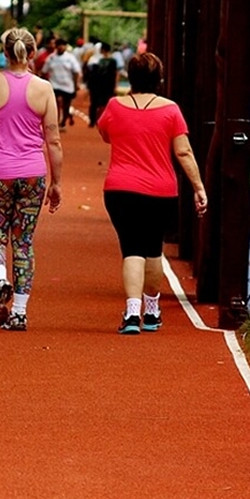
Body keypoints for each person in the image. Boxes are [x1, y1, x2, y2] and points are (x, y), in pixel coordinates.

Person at [96, 50, 207, 335]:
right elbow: (183, 152)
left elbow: (105, 134)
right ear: (160, 78)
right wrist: (198, 187)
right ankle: (152, 310)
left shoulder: (115, 106)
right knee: (153, 248)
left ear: (130, 77)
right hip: (161, 190)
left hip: (120, 188)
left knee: (131, 248)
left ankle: (132, 312)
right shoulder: (171, 110)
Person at [0, 27, 63, 332]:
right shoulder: (44, 89)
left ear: (4, 53)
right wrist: (56, 183)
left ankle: (0, 280)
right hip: (33, 174)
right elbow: (53, 140)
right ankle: (19, 312)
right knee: (23, 241)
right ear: (32, 53)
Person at [41, 37, 82, 128]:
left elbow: (76, 72)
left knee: (66, 105)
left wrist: (76, 85)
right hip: (55, 85)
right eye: (59, 45)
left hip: (68, 86)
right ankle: (56, 121)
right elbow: (44, 71)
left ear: (65, 47)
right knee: (56, 103)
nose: (60, 47)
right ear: (56, 46)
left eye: (62, 45)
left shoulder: (70, 58)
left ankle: (64, 121)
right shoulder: (51, 58)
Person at [84, 41, 118, 128]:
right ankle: (100, 120)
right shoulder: (104, 60)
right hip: (106, 85)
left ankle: (95, 120)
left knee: (97, 103)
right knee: (103, 103)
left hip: (102, 85)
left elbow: (115, 73)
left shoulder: (103, 61)